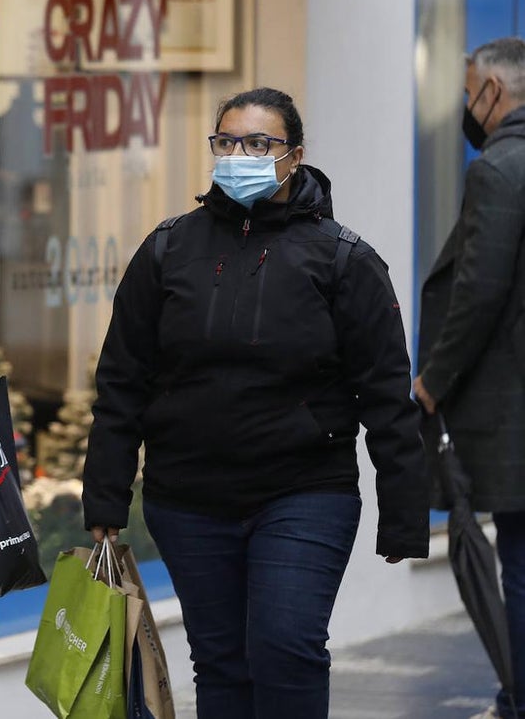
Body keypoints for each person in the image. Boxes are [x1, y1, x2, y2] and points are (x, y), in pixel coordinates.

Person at [82, 87, 430, 718]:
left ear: (293, 157)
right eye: (227, 142)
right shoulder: (167, 250)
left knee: (286, 646)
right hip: (187, 498)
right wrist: (105, 496)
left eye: (258, 143)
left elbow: (384, 391)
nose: (239, 154)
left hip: (303, 490)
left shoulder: (342, 259)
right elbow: (122, 380)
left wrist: (405, 509)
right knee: (221, 662)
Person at [414, 36, 525, 719]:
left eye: (467, 92)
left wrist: (432, 380)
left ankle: (518, 698)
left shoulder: (499, 170)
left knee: (518, 561)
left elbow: (477, 292)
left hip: (513, 413)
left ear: (493, 91)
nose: (464, 106)